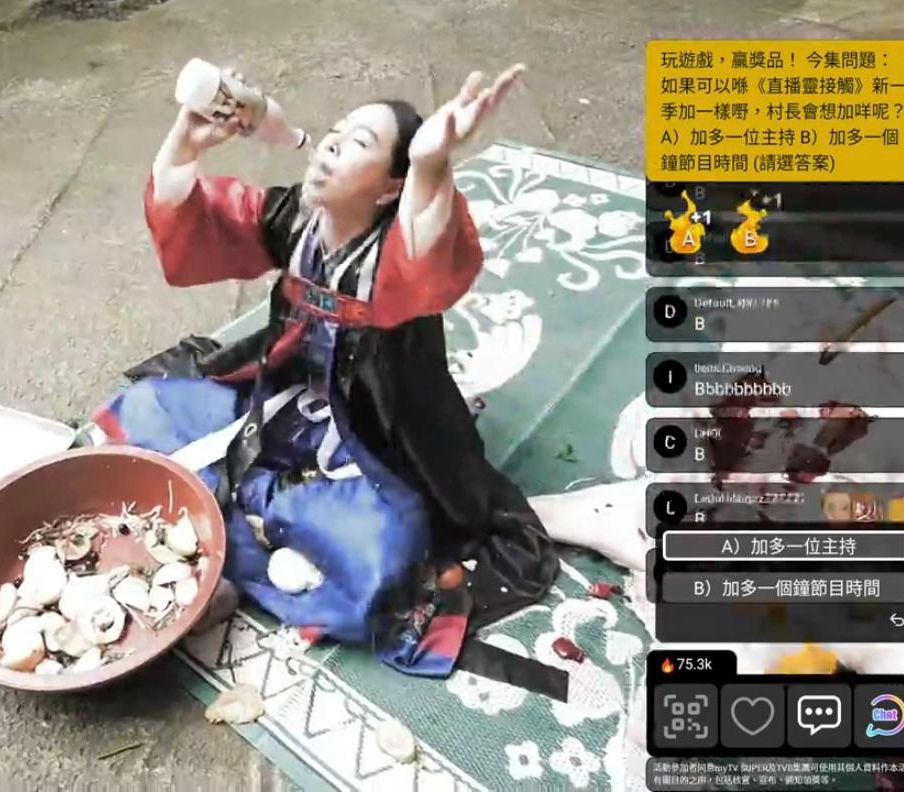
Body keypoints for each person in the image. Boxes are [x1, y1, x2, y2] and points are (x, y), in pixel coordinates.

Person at [90, 66, 560, 678]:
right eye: (335, 132)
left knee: (382, 550)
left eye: (359, 142)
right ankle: (262, 524)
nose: (332, 144)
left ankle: (233, 526)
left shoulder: (398, 249)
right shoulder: (294, 218)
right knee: (145, 409)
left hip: (376, 433)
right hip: (280, 397)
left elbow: (428, 251)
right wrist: (185, 142)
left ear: (391, 189)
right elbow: (203, 215)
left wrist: (431, 166)